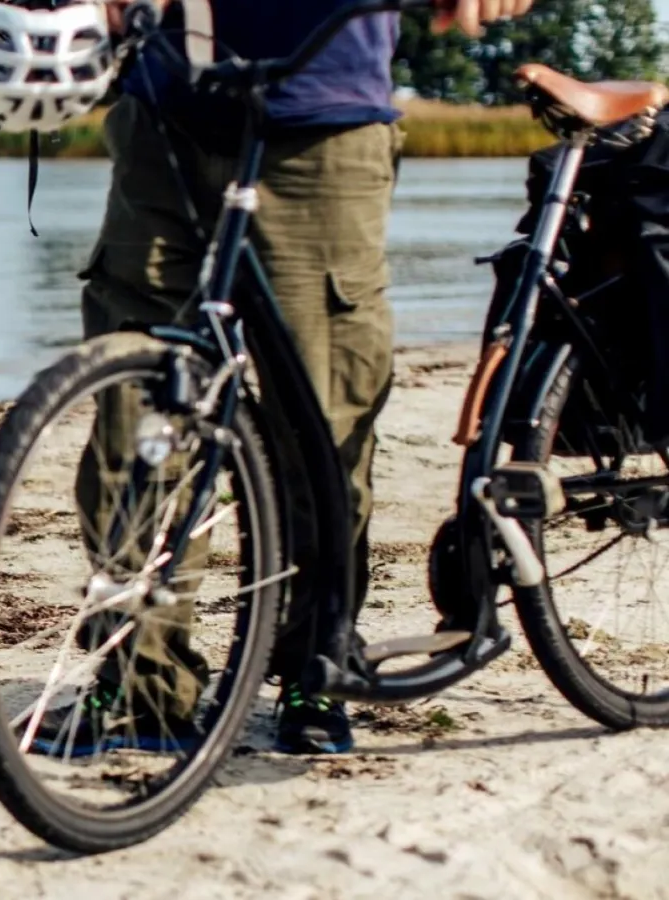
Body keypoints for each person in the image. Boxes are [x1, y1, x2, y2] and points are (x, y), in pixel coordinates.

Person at [52, 0, 535, 757]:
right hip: (162, 119)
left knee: (322, 430)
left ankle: (315, 665)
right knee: (133, 423)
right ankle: (141, 686)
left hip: (320, 129)